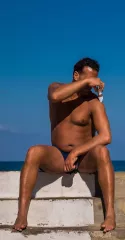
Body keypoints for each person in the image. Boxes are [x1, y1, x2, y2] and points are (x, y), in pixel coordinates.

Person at [13, 58, 116, 232]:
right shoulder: (55, 88)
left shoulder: (93, 103)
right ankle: (22, 214)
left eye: (93, 82)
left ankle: (110, 214)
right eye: (87, 81)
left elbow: (106, 136)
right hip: (58, 156)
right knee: (33, 152)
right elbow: (54, 96)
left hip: (83, 158)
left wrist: (77, 151)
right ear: (76, 75)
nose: (90, 86)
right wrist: (87, 81)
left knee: (103, 152)